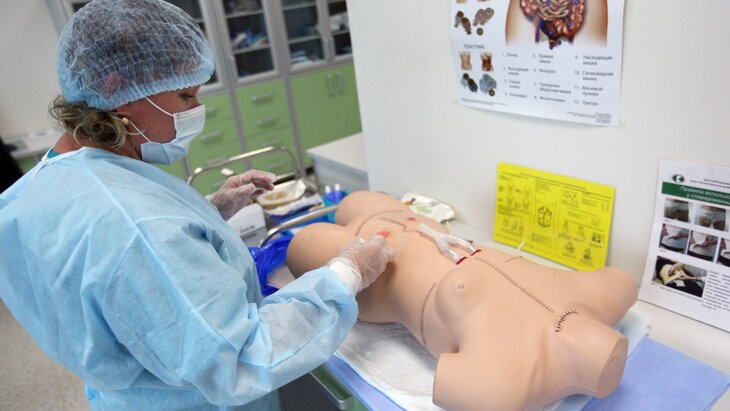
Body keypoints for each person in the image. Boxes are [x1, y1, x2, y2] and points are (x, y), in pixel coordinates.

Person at [0, 1, 393, 410]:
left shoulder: (33, 191)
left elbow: (107, 274)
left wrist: (206, 212)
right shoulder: (138, 228)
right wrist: (346, 274)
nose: (196, 110)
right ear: (116, 89)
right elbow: (240, 359)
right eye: (184, 95)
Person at [286, 191, 638, 411]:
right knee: (355, 201)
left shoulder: (515, 379)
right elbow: (622, 282)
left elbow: (455, 389)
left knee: (303, 244)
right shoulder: (595, 296)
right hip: (414, 223)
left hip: (381, 278)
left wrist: (350, 269)